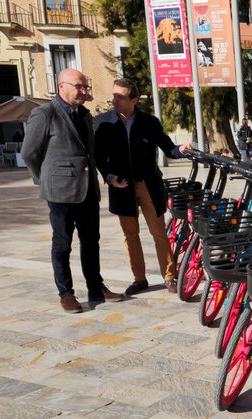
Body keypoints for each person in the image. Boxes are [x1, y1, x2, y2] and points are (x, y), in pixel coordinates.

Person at [21, 68, 125, 313]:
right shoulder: (44, 114)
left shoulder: (85, 115)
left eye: (85, 87)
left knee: (91, 242)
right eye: (79, 86)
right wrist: (44, 180)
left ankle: (95, 287)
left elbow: (90, 153)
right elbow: (29, 153)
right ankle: (66, 293)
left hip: (87, 189)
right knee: (63, 244)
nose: (83, 91)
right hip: (60, 192)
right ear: (61, 87)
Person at [93, 78, 192, 296]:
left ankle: (169, 276)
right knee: (131, 235)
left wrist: (182, 149)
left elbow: (168, 149)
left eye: (120, 97)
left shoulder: (150, 122)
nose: (114, 100)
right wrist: (109, 177)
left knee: (159, 233)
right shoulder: (102, 122)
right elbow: (99, 158)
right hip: (121, 187)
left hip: (148, 185)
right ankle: (139, 279)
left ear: (134, 100)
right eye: (114, 95)